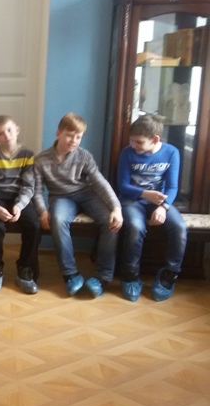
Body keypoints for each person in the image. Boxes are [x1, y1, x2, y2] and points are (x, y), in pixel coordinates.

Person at [32, 113, 123, 297]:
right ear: (58, 133)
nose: (73, 141)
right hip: (61, 198)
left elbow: (100, 182)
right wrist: (42, 210)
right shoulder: (41, 160)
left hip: (87, 194)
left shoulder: (84, 156)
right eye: (69, 135)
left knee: (110, 220)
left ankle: (103, 276)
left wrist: (116, 207)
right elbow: (37, 190)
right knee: (57, 219)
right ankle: (70, 274)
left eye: (78, 137)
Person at [116, 115, 187, 302]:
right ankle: (130, 275)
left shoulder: (171, 152)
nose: (134, 146)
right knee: (135, 227)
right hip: (132, 200)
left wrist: (163, 207)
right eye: (132, 140)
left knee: (179, 228)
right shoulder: (127, 153)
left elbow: (172, 187)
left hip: (160, 202)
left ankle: (169, 275)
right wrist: (145, 194)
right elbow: (122, 186)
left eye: (139, 142)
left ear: (155, 139)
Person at [0, 115, 41, 294]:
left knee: (34, 225)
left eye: (9, 130)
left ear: (17, 130)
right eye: (0, 133)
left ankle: (24, 269)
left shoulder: (28, 155)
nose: (6, 135)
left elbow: (29, 186)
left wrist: (19, 206)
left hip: (19, 198)